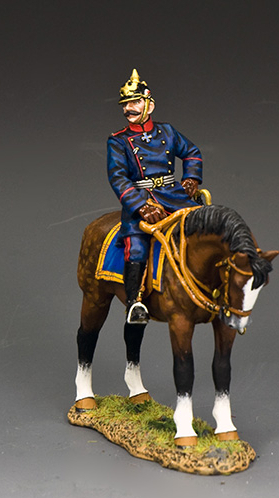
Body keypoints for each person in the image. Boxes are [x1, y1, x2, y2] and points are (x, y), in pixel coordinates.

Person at [107, 69, 203, 324]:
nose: (128, 108)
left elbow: (192, 152)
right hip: (142, 199)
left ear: (149, 104)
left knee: (207, 229)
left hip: (175, 195)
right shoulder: (118, 142)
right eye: (125, 104)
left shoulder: (168, 132)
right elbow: (118, 178)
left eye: (134, 102)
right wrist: (140, 206)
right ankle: (135, 303)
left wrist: (191, 178)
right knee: (136, 246)